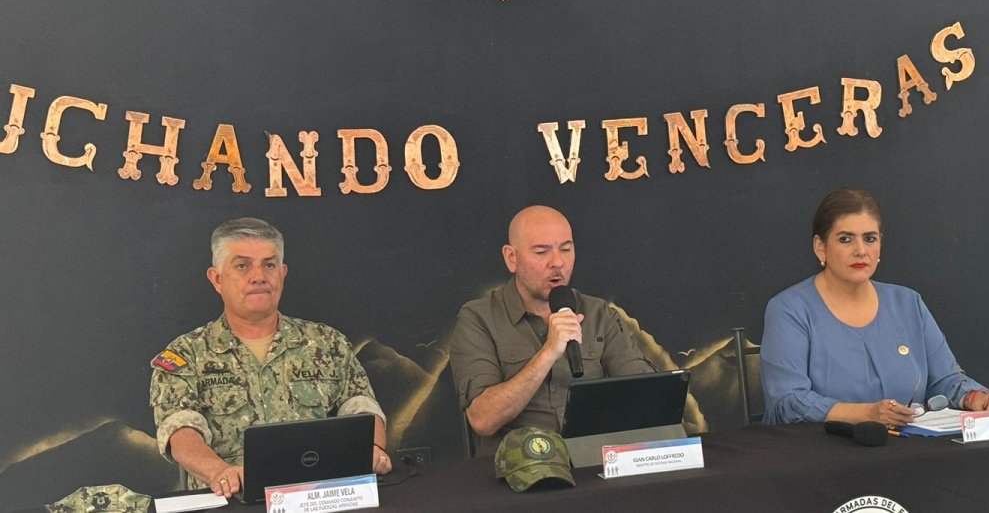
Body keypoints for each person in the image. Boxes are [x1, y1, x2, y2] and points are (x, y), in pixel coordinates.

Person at [149, 217, 391, 496]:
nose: (259, 276)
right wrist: (221, 473)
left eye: (269, 265)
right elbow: (179, 429)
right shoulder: (186, 354)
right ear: (217, 279)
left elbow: (361, 407)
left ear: (283, 274)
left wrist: (373, 449)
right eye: (242, 266)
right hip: (232, 500)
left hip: (318, 497)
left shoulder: (327, 343)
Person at [761, 188, 989, 425]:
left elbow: (946, 381)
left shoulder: (908, 303)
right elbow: (788, 402)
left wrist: (976, 398)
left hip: (907, 446)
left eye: (870, 239)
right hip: (817, 449)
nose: (860, 251)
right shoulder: (789, 309)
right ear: (820, 247)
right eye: (845, 239)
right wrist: (866, 414)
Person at [448, 205, 655, 454]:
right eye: (541, 251)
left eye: (566, 249)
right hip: (521, 465)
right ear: (511, 258)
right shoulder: (479, 318)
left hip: (594, 459)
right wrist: (548, 353)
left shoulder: (598, 313)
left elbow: (647, 395)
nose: (557, 262)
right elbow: (483, 420)